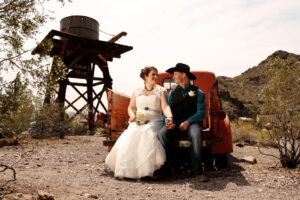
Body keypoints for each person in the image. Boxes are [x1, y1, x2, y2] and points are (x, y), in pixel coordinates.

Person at [105, 66, 173, 179]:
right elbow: (131, 108)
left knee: (146, 132)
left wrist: (170, 117)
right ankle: (129, 171)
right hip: (139, 120)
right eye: (153, 74)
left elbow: (165, 106)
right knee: (131, 133)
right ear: (145, 77)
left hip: (155, 120)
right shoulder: (136, 91)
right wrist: (133, 117)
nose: (156, 77)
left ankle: (146, 171)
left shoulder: (161, 91)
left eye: (157, 74)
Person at [157, 63, 206, 179]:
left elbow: (201, 113)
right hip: (176, 122)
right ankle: (166, 170)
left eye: (175, 74)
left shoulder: (198, 93)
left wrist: (188, 122)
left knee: (195, 134)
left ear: (183, 75)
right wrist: (168, 121)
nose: (173, 77)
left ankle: (198, 172)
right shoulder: (172, 94)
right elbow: (167, 110)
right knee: (162, 134)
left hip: (192, 123)